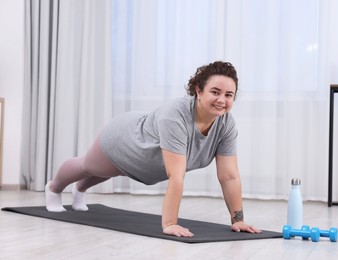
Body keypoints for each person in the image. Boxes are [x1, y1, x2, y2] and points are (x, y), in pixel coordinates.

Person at [45, 61, 261, 237]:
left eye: (229, 95)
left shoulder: (226, 124)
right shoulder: (175, 116)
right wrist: (169, 223)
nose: (222, 100)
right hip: (125, 141)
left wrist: (238, 219)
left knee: (108, 172)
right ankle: (54, 189)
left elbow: (229, 176)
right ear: (198, 90)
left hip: (144, 164)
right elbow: (176, 176)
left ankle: (79, 190)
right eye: (215, 92)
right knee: (88, 166)